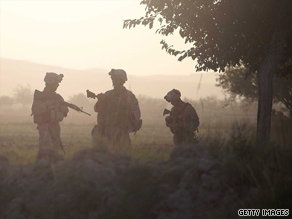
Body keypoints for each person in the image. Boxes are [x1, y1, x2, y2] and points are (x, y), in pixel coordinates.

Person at [92, 69, 141, 152]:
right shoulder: (108, 94)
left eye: (116, 79)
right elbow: (97, 109)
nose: (114, 81)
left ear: (122, 81)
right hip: (106, 129)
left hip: (120, 130)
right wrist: (100, 101)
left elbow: (136, 113)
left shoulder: (128, 96)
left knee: (121, 153)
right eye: (113, 79)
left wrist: (125, 111)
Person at [31, 72, 69, 154]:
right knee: (46, 148)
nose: (57, 85)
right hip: (44, 125)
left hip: (55, 125)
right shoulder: (40, 96)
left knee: (56, 149)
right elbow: (34, 110)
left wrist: (62, 109)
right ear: (49, 83)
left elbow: (65, 110)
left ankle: (55, 165)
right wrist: (47, 105)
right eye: (56, 83)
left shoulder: (58, 97)